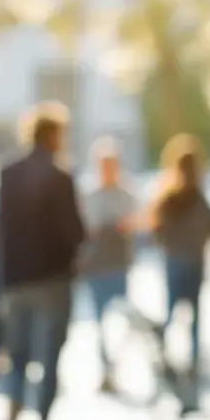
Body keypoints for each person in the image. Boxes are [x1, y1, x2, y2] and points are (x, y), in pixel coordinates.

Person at [0, 101, 86, 420]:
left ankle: (14, 418)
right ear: (53, 135)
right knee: (49, 359)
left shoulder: (9, 173)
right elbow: (74, 231)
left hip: (14, 279)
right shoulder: (60, 176)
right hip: (51, 279)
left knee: (16, 355)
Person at [152, 134, 210, 383]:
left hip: (179, 258)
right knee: (190, 313)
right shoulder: (189, 197)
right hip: (191, 258)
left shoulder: (171, 197)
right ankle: (188, 358)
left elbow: (159, 230)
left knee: (173, 310)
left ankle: (171, 355)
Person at [80, 137, 138, 393]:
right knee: (99, 323)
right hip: (95, 266)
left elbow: (136, 224)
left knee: (120, 323)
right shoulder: (88, 193)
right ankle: (104, 370)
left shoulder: (126, 193)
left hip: (119, 265)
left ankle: (115, 368)